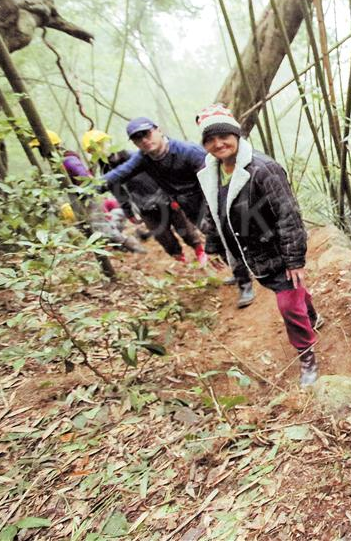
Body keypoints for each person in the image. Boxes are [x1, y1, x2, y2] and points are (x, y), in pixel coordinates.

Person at [195, 105, 320, 387]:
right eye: (210, 139)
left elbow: (288, 214)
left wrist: (294, 259)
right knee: (291, 293)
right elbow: (215, 212)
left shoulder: (264, 169)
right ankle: (312, 314)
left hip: (276, 250)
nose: (218, 144)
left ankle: (307, 355)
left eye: (223, 135)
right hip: (249, 253)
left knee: (288, 306)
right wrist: (213, 246)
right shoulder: (211, 172)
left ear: (236, 134)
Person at [103, 117, 254, 307]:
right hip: (189, 207)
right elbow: (118, 174)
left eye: (146, 134)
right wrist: (88, 188)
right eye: (137, 139)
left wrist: (214, 208)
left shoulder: (187, 152)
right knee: (217, 240)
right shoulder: (144, 158)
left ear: (157, 130)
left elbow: (215, 177)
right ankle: (239, 271)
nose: (144, 140)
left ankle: (246, 282)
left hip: (211, 200)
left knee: (226, 238)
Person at [101, 148, 206, 265]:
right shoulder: (108, 170)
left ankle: (200, 252)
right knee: (163, 237)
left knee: (185, 228)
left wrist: (173, 197)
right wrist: (128, 212)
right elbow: (119, 194)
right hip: (145, 208)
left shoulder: (139, 158)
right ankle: (181, 261)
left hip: (166, 201)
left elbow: (163, 177)